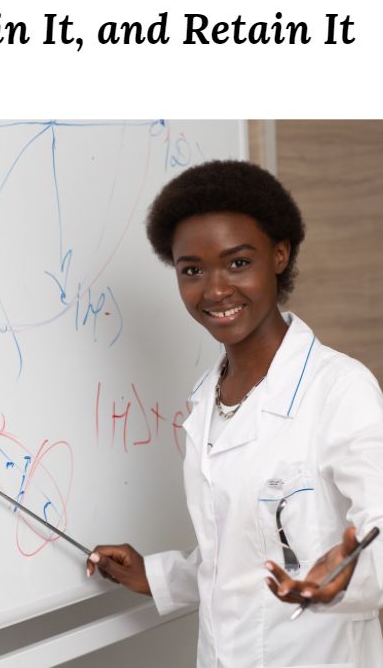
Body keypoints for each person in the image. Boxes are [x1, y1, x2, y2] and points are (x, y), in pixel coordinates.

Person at [86, 161, 383, 667]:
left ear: (280, 255)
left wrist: (329, 584)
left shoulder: (339, 388)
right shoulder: (207, 401)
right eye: (192, 270)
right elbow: (239, 554)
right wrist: (155, 576)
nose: (215, 290)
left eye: (238, 262)